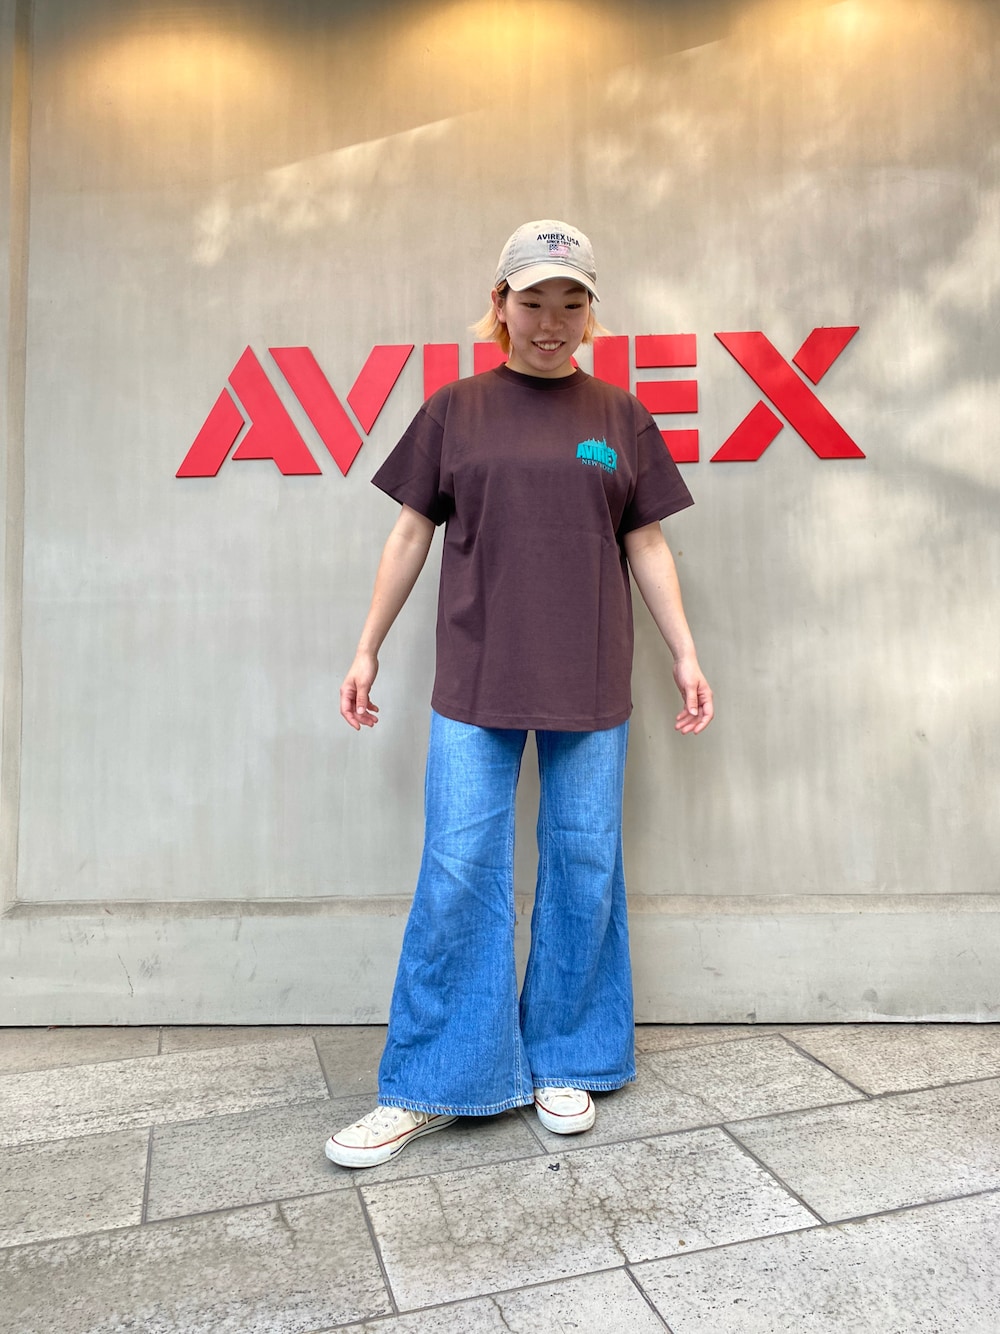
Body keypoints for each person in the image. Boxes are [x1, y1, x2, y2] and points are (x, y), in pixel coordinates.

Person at [325, 219, 713, 1169]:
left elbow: (647, 542)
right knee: (458, 871)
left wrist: (686, 654)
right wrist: (366, 649)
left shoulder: (619, 417)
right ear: (499, 304)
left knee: (584, 863)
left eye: (571, 302)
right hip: (476, 676)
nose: (551, 321)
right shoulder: (454, 410)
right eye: (533, 300)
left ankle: (568, 1058)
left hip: (590, 676)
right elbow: (409, 535)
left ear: (591, 312)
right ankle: (433, 1082)